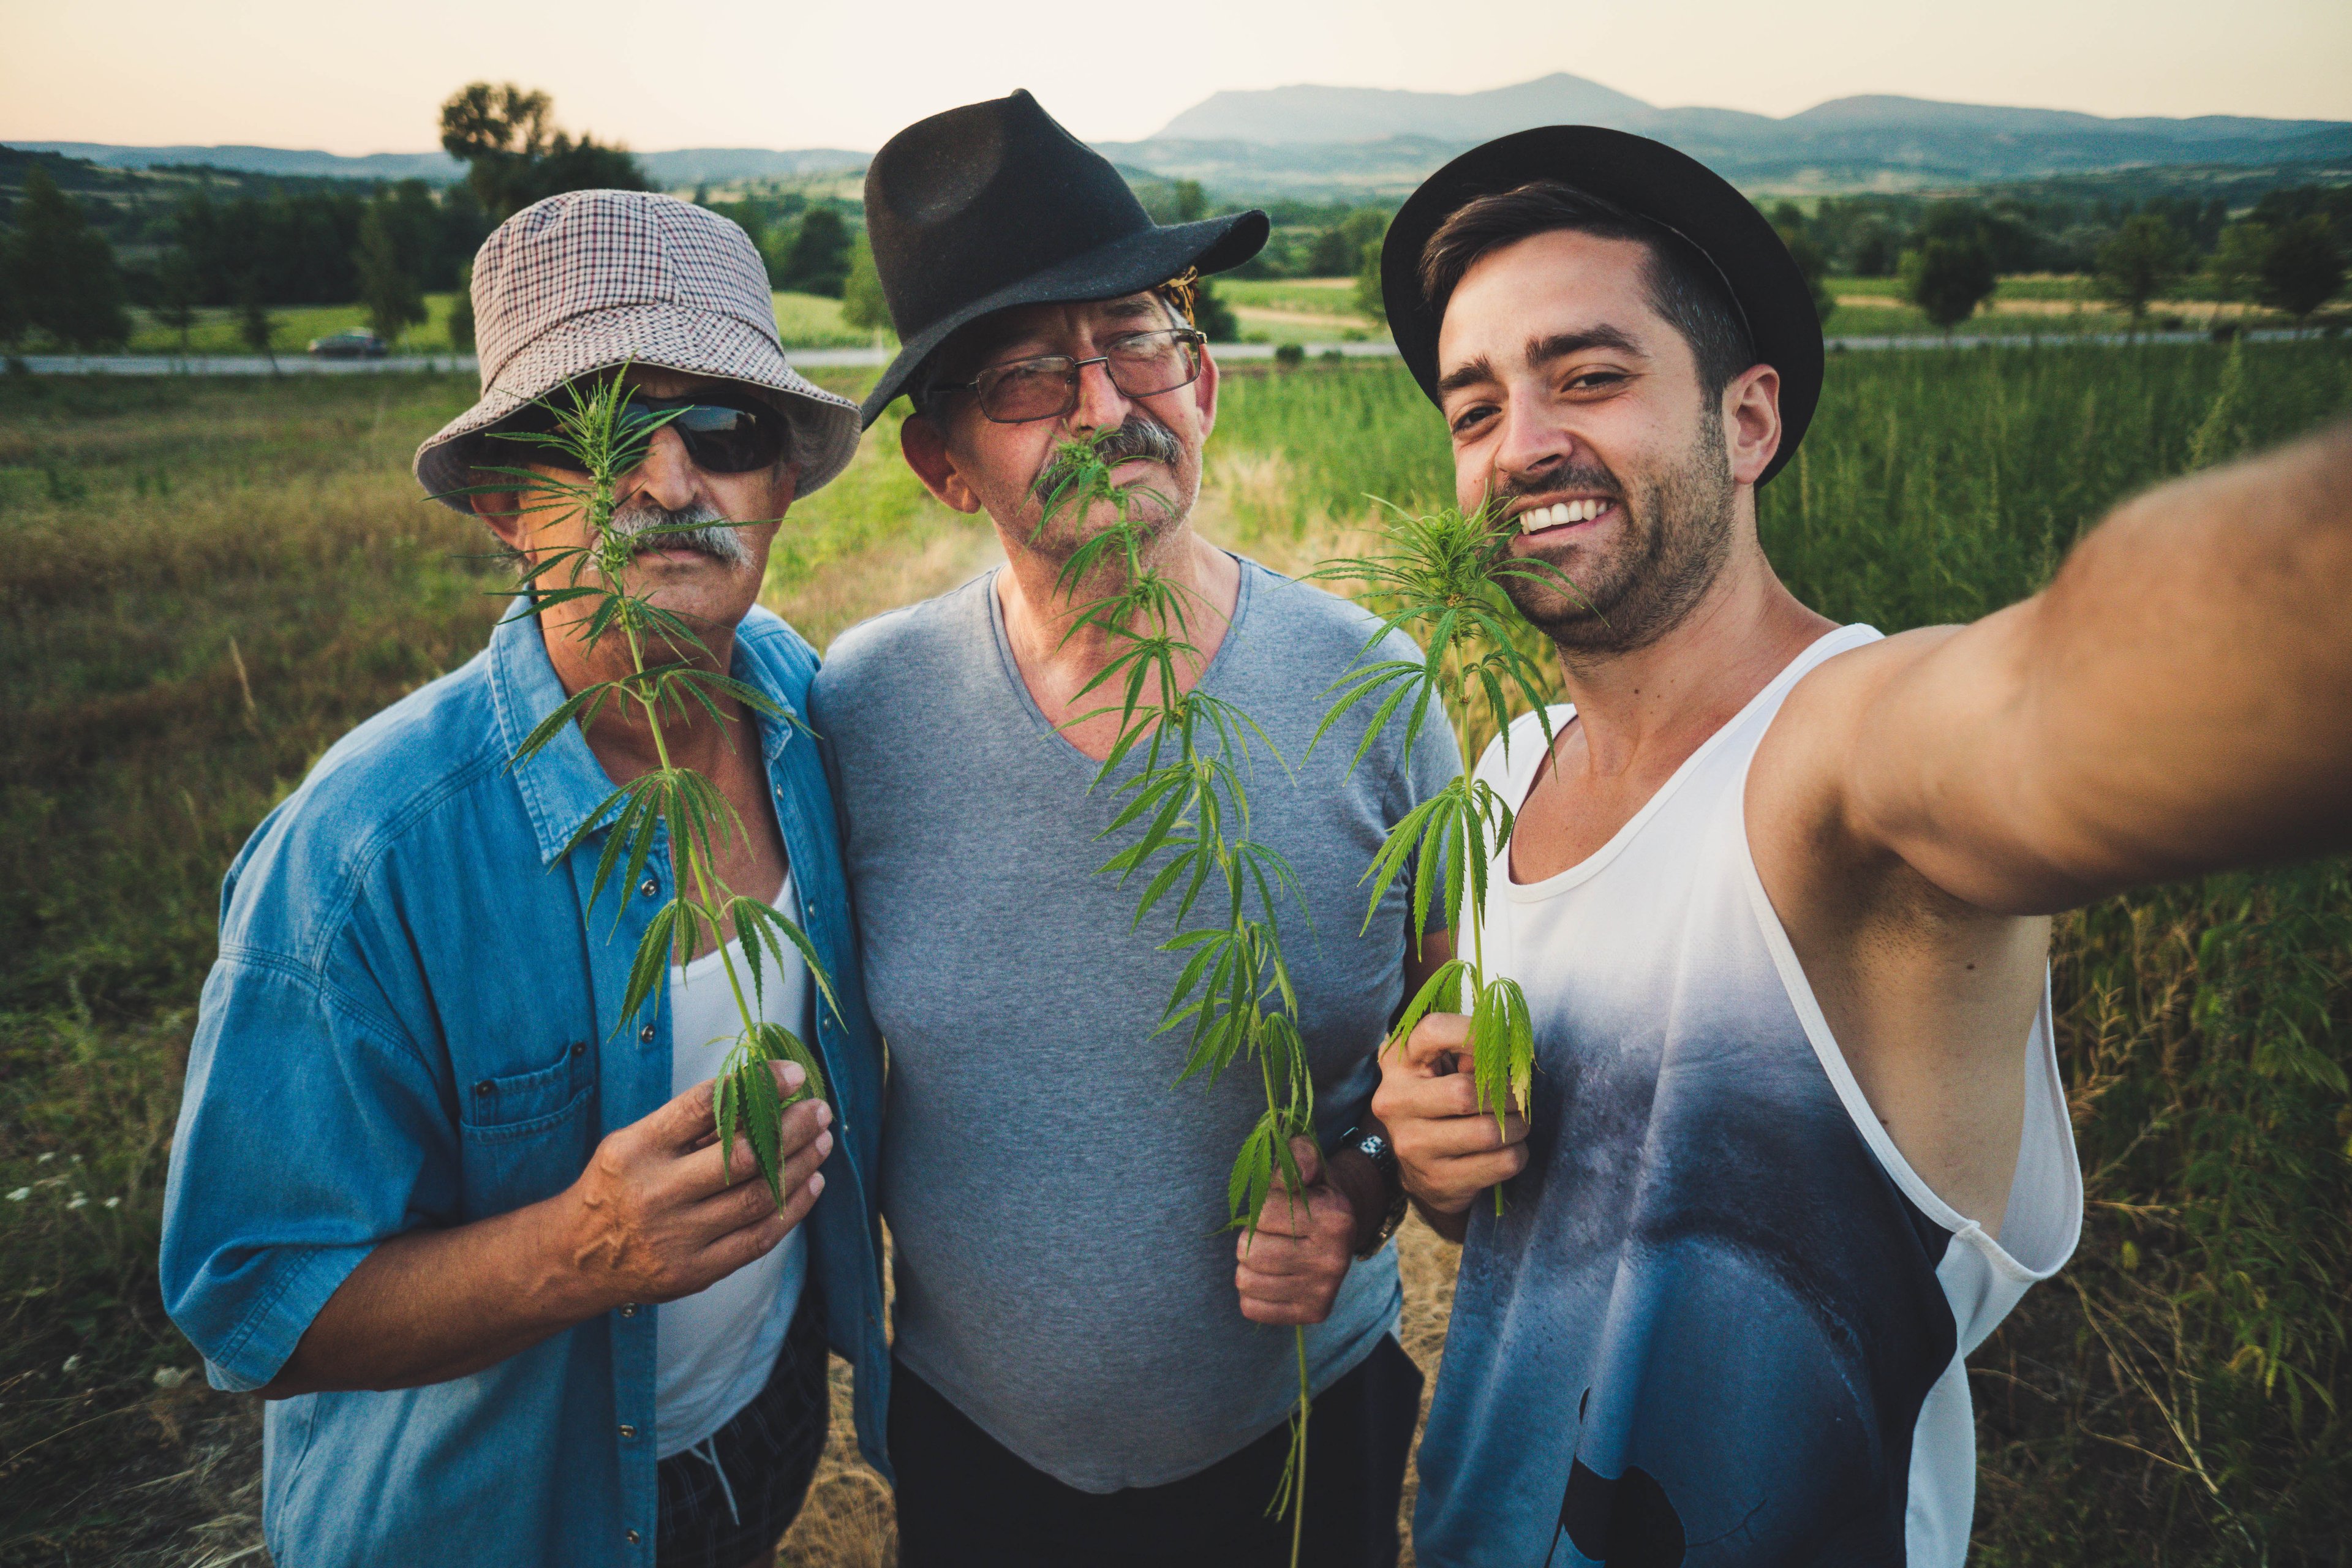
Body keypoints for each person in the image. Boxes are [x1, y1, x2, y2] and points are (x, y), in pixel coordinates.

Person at [1366, 129, 2352, 1567]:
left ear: (1750, 420)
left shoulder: (1841, 758)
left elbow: (2060, 690)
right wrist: (1442, 1162)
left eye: (1590, 375)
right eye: (1474, 409)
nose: (1522, 444)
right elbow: (1548, 1235)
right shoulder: (1508, 776)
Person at [158, 190, 890, 1568]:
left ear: (780, 476)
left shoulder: (808, 709)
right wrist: (584, 1246)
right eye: (597, 435)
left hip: (766, 1422)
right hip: (506, 1515)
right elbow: (248, 1295)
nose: (671, 483)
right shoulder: (362, 853)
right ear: (506, 500)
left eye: (724, 431)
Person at [807, 91, 1454, 1567]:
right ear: (943, 464)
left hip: (1300, 1436)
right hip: (981, 1452)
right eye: (1028, 377)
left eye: (1134, 339)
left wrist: (1359, 1187)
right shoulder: (863, 712)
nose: (1105, 405)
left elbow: (1443, 1046)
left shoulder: (1374, 688)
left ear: (1204, 378)